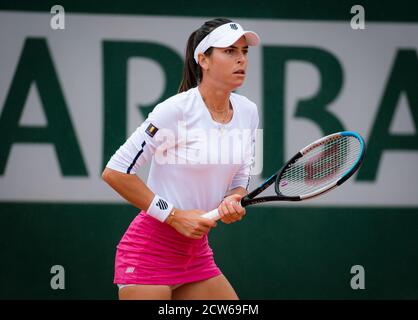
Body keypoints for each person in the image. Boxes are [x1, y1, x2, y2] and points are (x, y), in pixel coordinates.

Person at [102, 17, 260, 300]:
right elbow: (115, 171)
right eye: (229, 51)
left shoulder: (249, 112)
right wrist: (174, 216)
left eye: (244, 52)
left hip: (196, 254)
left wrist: (234, 197)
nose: (241, 60)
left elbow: (243, 174)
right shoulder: (175, 111)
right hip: (149, 252)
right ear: (204, 59)